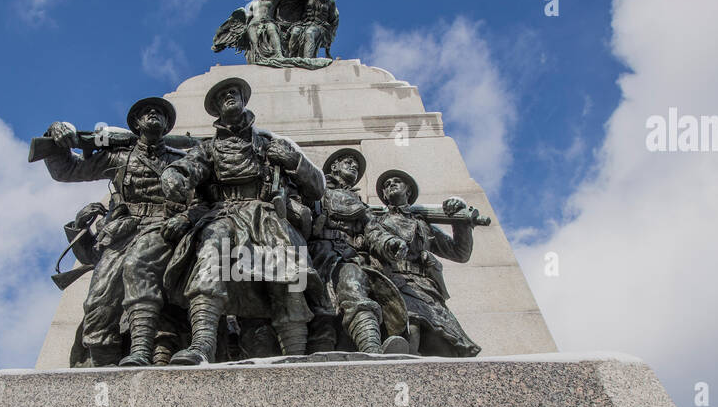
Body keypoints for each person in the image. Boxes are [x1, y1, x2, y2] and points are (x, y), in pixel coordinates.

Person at [160, 77, 326, 364]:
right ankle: (202, 345)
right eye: (222, 95)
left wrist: (293, 161)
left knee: (288, 277)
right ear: (215, 109)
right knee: (212, 252)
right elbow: (190, 167)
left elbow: (317, 188)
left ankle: (297, 354)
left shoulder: (269, 142)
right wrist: (176, 174)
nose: (229, 96)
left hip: (268, 217)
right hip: (223, 214)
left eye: (234, 92)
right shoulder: (207, 148)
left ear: (244, 99)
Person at [44, 97, 200, 366]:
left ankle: (148, 350)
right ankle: (105, 372)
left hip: (165, 230)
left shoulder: (182, 160)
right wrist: (56, 136)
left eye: (160, 113)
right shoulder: (118, 156)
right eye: (146, 112)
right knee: (97, 305)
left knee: (141, 274)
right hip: (123, 233)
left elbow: (205, 198)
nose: (153, 115)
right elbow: (68, 170)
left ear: (167, 125)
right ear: (136, 124)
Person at [367, 169, 481, 357]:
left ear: (408, 191)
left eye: (397, 181)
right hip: (393, 282)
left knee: (444, 343)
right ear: (385, 196)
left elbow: (460, 253)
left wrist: (461, 221)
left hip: (426, 287)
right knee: (411, 327)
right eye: (387, 185)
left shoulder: (422, 225)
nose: (391, 185)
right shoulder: (376, 222)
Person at [309, 149, 408, 353]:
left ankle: (372, 350)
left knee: (353, 291)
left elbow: (373, 229)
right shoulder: (314, 191)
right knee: (319, 311)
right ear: (334, 166)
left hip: (347, 256)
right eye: (348, 162)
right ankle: (321, 357)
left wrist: (390, 242)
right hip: (315, 256)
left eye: (356, 164)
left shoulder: (358, 204)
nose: (354, 166)